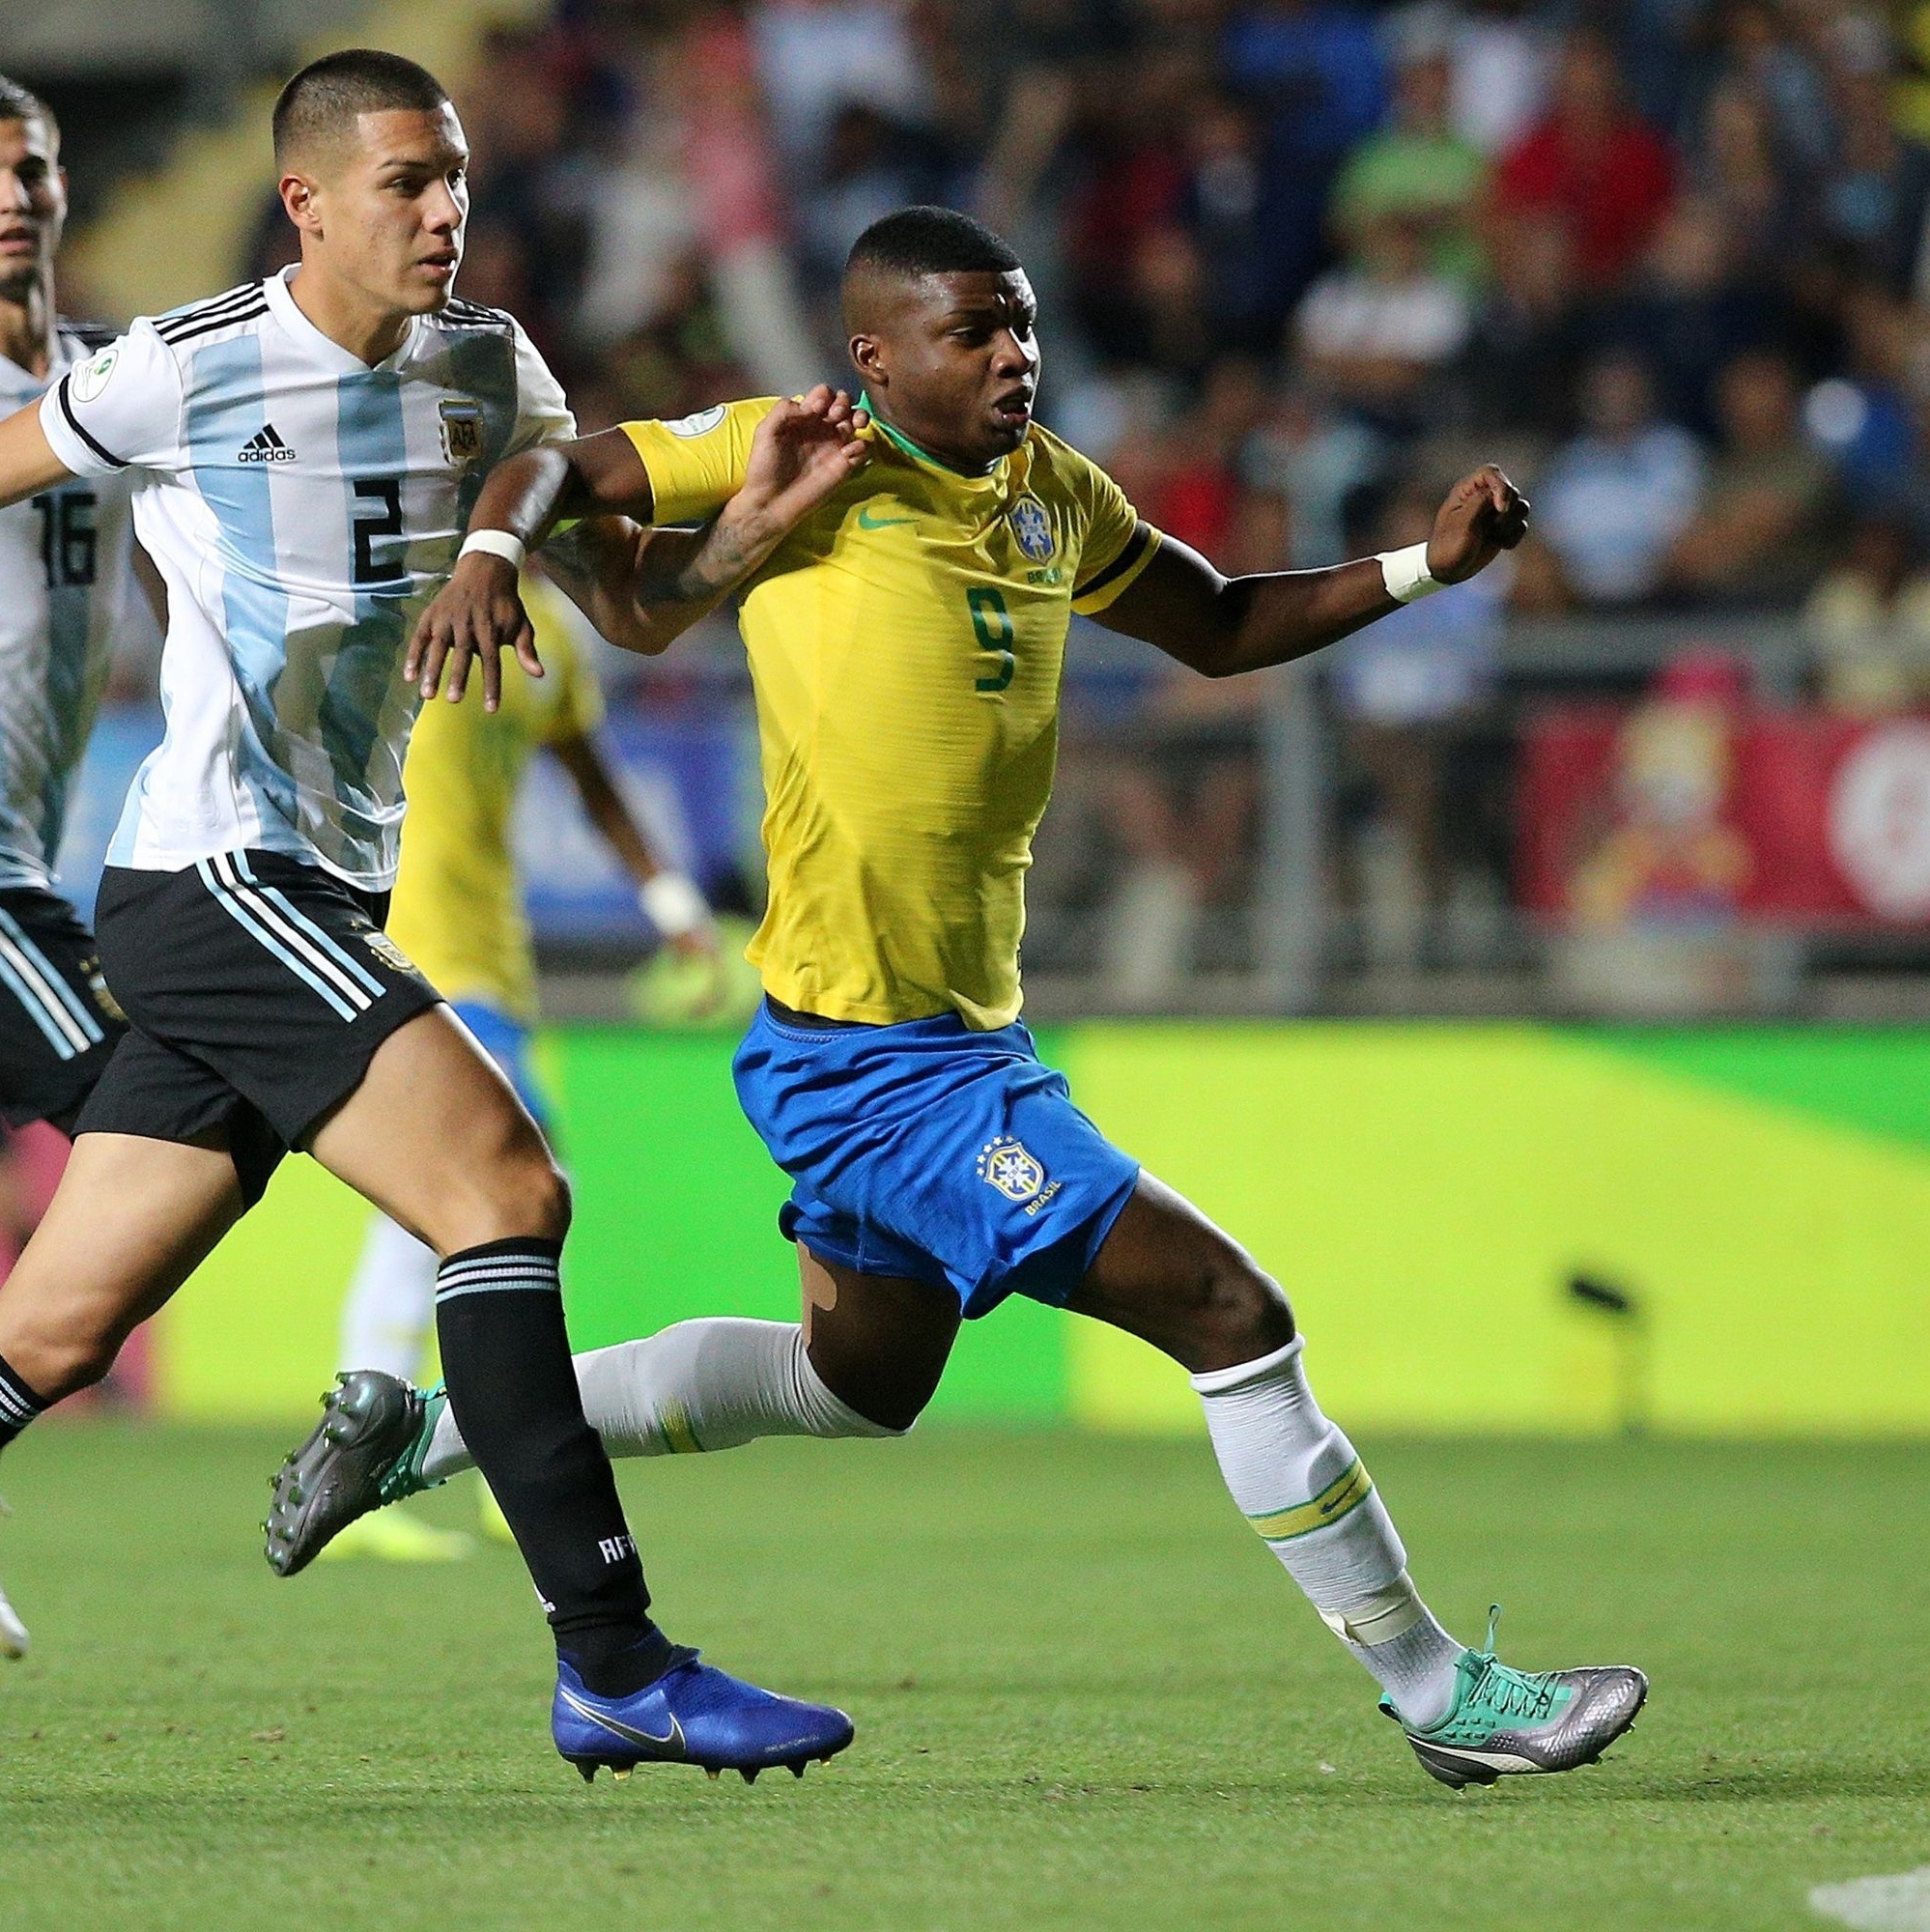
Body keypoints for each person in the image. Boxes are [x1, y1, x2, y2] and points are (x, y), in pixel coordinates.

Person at [272, 205, 1649, 1791]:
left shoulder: (1049, 490)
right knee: (1228, 1316)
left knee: (852, 1387)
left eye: (1024, 325)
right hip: (885, 1070)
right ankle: (1439, 1698)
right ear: (874, 357)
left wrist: (1422, 565)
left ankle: (434, 1428)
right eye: (974, 333)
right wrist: (498, 552)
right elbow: (568, 467)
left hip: (941, 1037)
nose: (1015, 356)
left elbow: (1211, 626)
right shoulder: (804, 451)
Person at [0, 47, 854, 1783]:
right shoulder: (188, 366)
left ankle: (525, 1565)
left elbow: (638, 613)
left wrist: (752, 527)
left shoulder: (489, 365)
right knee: (507, 1186)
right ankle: (614, 1661)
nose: (447, 211)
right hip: (220, 878)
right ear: (308, 203)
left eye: (454, 177)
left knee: (55, 1331)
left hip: (314, 884)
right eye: (407, 182)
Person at [331, 565, 718, 1561]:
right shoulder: (411, 598)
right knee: (517, 1184)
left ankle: (379, 1446)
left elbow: (591, 779)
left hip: (493, 960)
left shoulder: (549, 632)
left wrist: (676, 913)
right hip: (414, 948)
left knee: (440, 1209)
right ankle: (490, 1449)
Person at [0, 75, 164, 1662]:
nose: (10, 193)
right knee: (148, 1108)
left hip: (37, 847)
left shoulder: (111, 383)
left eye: (32, 166)